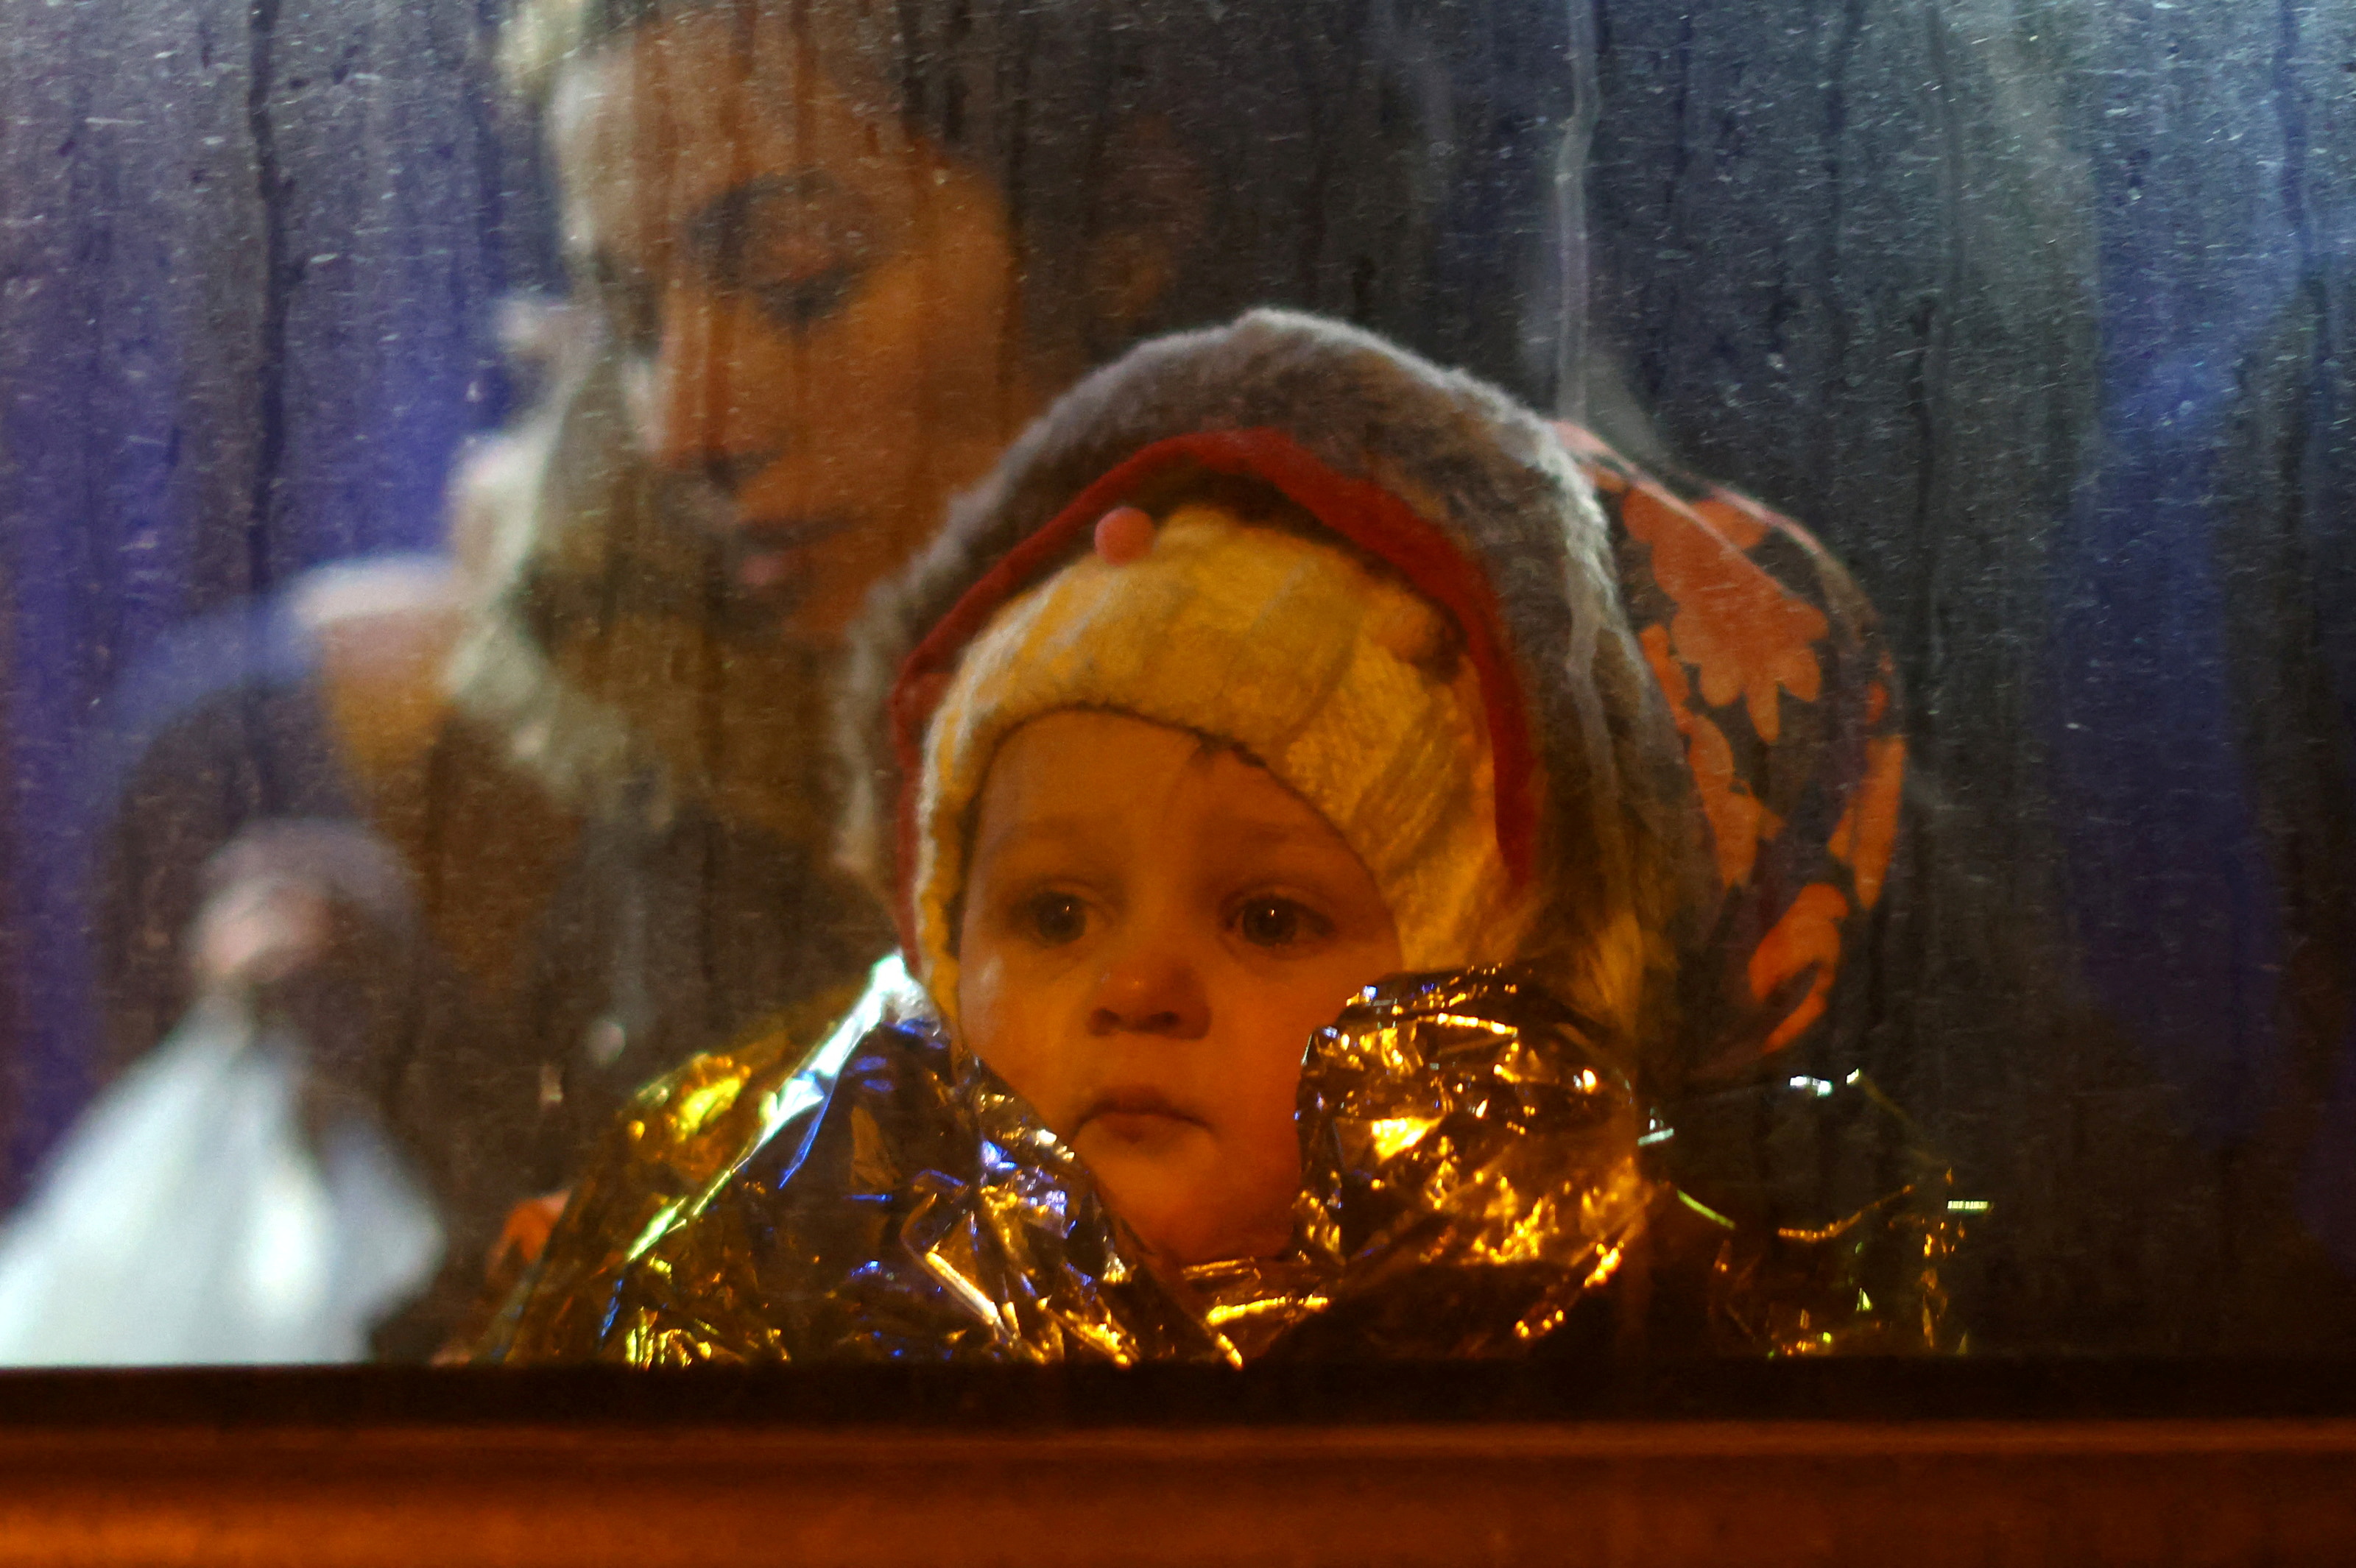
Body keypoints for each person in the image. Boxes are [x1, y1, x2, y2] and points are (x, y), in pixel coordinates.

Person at [78, 0, 1592, 1355]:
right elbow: (654, 1236)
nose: (688, 421)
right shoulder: (691, 737)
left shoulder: (1442, 687)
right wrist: (407, 1041)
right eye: (634, 319)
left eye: (798, 282)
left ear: (1129, 217)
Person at [486, 310, 1944, 1365]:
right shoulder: (777, 1285)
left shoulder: (1616, 1370)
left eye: (1267, 919)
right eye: (1052, 916)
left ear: (1483, 989)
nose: (1141, 989)